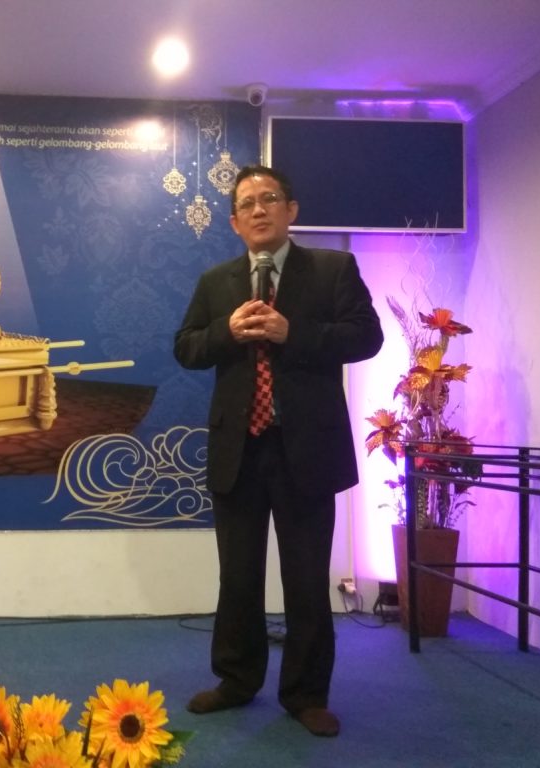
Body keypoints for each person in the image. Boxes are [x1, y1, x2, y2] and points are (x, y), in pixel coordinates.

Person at [173, 164, 382, 737]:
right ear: (235, 223)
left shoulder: (333, 269)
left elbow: (368, 337)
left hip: (306, 450)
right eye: (247, 203)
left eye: (270, 198)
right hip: (238, 451)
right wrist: (226, 333)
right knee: (238, 578)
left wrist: (297, 334)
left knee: (307, 579)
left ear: (291, 210)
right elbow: (186, 348)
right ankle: (236, 681)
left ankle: (306, 694)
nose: (259, 209)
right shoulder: (216, 282)